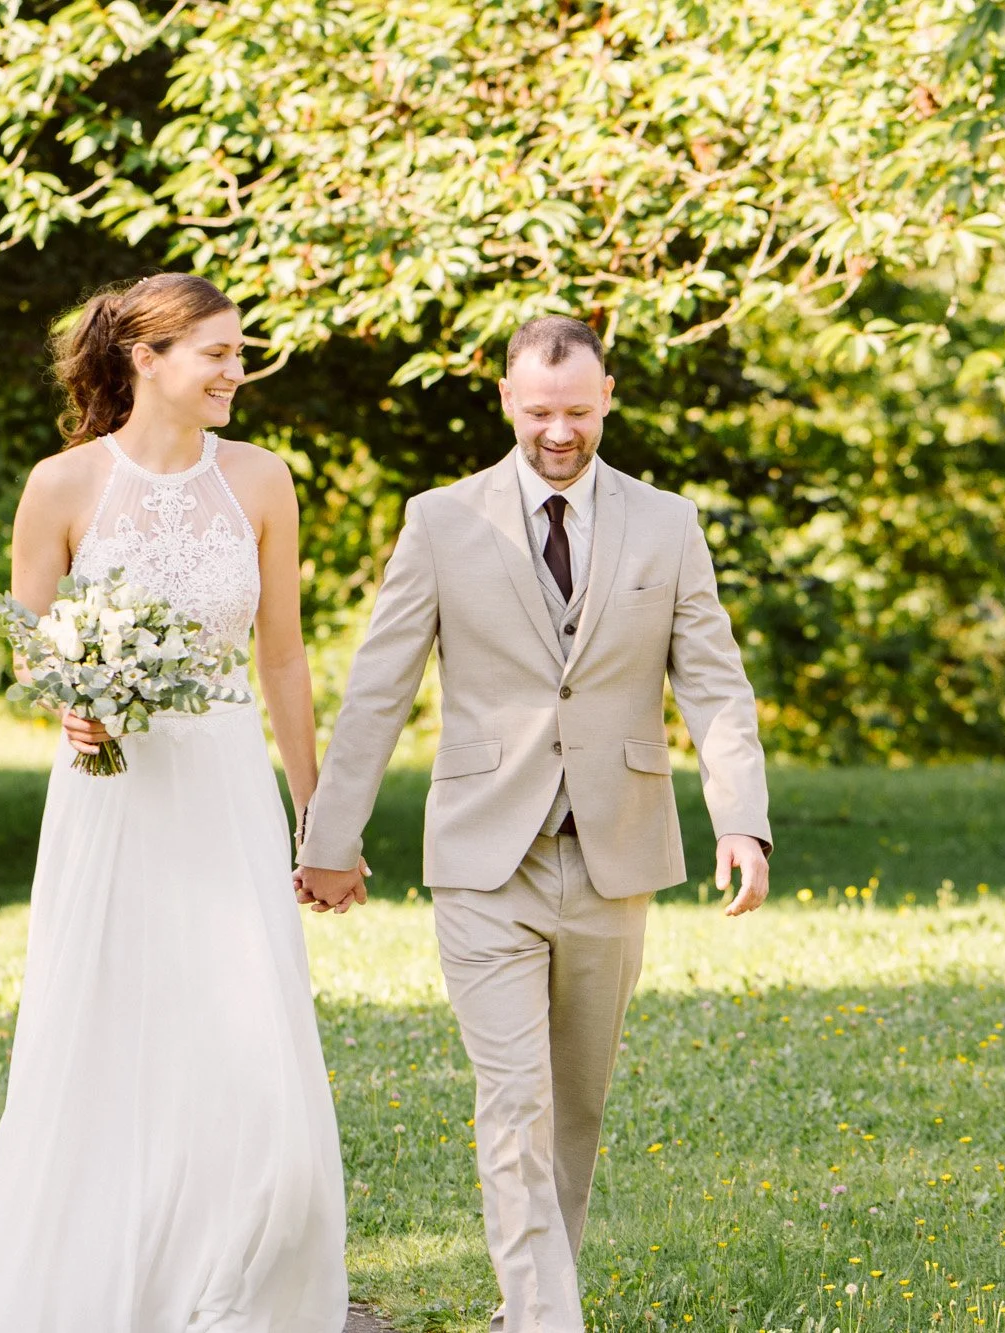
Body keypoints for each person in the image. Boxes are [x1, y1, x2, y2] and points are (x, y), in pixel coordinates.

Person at [297, 315, 773, 1333]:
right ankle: (549, 1321)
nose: (558, 432)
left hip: (614, 856)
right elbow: (378, 689)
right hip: (483, 859)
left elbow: (714, 686)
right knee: (513, 1104)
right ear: (505, 401)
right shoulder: (440, 520)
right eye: (538, 411)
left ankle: (530, 1309)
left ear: (606, 402)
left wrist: (742, 820)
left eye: (577, 412)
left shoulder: (667, 524)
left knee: (574, 1112)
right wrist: (329, 840)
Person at [0, 274, 348, 1333]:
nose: (234, 372)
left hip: (223, 789)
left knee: (253, 1049)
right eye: (216, 354)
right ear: (146, 359)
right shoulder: (61, 485)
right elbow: (28, 645)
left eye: (237, 352)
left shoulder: (260, 481)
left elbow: (284, 660)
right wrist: (73, 697)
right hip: (109, 800)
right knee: (105, 1036)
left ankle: (234, 1291)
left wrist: (318, 817)